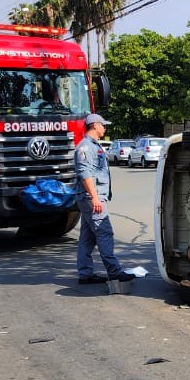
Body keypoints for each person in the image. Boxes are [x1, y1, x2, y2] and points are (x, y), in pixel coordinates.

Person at [74, 113, 125, 288]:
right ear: (95, 125)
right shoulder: (86, 148)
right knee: (104, 232)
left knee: (87, 237)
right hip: (92, 198)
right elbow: (85, 174)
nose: (105, 128)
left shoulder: (92, 146)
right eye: (103, 125)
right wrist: (95, 197)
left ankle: (85, 274)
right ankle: (114, 272)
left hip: (90, 197)